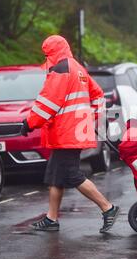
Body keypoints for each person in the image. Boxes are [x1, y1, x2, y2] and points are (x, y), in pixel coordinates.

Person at [21, 35, 120, 233]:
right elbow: (98, 94)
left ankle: (108, 208)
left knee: (72, 174)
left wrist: (30, 123)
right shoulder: (77, 68)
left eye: (46, 54)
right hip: (72, 132)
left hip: (67, 133)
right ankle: (51, 219)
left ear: (51, 52)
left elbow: (48, 102)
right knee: (55, 175)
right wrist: (94, 119)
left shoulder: (61, 70)